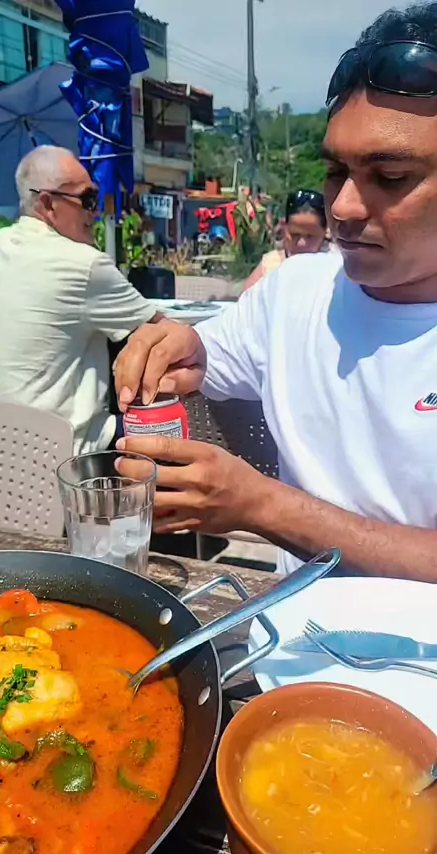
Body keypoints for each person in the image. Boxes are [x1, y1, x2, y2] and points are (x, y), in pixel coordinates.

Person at [114, 1, 437, 583]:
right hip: (288, 630)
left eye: (390, 177)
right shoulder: (295, 289)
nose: (343, 207)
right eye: (335, 171)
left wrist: (265, 506)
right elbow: (206, 355)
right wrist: (178, 347)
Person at [0, 146, 159, 454]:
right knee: (176, 418)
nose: (94, 212)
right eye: (87, 199)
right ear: (47, 203)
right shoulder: (84, 263)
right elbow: (163, 332)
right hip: (67, 453)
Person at [244, 189, 328, 291]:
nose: (301, 243)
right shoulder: (271, 266)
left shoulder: (335, 267)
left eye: (310, 236)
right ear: (284, 227)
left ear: (326, 232)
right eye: (295, 235)